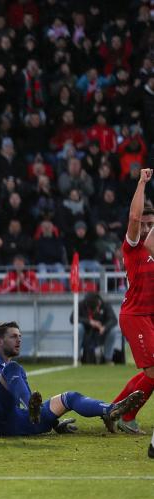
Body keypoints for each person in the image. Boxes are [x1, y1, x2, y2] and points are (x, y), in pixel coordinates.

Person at [0, 322, 144, 437]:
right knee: (13, 369)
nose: (19, 339)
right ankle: (36, 411)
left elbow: (26, 397)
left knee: (70, 397)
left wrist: (53, 422)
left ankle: (111, 409)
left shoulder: (19, 372)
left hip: (14, 421)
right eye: (13, 336)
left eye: (20, 336)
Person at [109, 168, 154, 438]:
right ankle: (126, 415)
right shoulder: (133, 246)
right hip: (135, 314)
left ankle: (113, 409)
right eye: (145, 223)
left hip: (150, 315)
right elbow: (134, 217)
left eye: (151, 223)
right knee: (152, 371)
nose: (146, 227)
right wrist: (141, 182)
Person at [70, 292, 121, 365]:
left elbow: (114, 320)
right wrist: (90, 322)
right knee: (78, 327)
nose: (96, 310)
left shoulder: (106, 305)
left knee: (113, 331)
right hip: (86, 335)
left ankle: (108, 359)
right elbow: (72, 319)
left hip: (101, 334)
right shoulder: (81, 304)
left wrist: (104, 327)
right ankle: (77, 359)